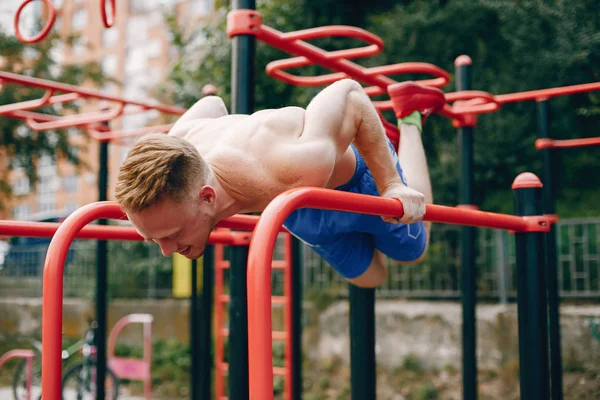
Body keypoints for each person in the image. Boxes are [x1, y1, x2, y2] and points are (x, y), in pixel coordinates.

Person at [115, 79, 446, 288]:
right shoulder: (182, 150)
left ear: (206, 196)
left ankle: (410, 118)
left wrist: (391, 184)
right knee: (371, 278)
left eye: (171, 236)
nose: (166, 251)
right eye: (153, 239)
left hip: (354, 184)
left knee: (411, 251)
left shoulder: (294, 163)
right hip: (295, 210)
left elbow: (351, 95)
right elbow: (211, 106)